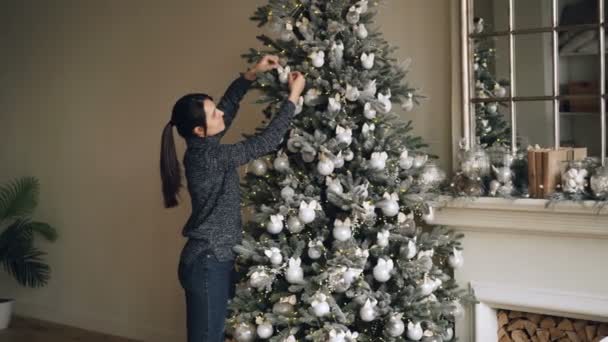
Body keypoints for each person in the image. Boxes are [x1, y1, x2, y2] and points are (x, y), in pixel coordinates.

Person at [159, 55, 306, 341]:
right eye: (214, 115)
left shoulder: (202, 144)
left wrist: (251, 74)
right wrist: (293, 98)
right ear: (199, 130)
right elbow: (265, 142)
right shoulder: (210, 157)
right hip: (208, 261)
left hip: (215, 257)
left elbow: (227, 106)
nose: (221, 116)